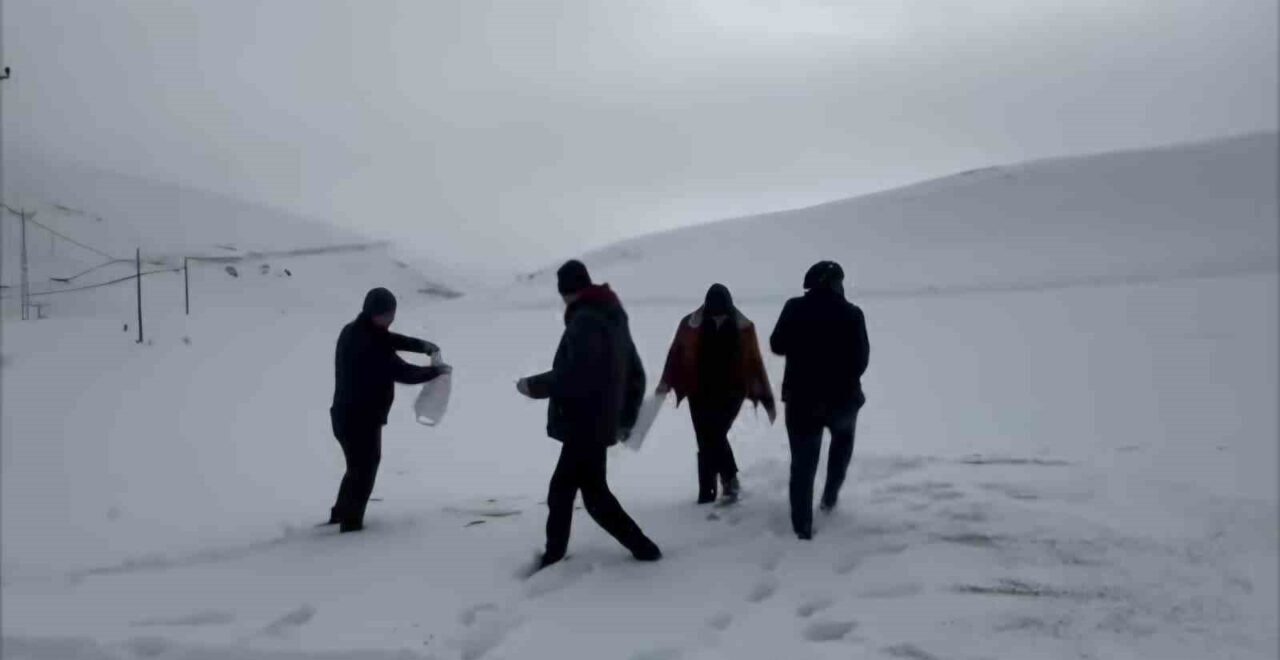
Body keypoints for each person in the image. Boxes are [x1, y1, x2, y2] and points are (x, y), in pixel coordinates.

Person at [517, 260, 662, 570]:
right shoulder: (612, 314)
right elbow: (635, 371)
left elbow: (574, 374)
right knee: (582, 491)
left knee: (579, 494)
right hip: (599, 419)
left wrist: (533, 386)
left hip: (585, 420)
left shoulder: (586, 319)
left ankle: (558, 556)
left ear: (569, 291)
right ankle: (638, 548)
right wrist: (624, 416)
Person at [329, 287, 449, 533]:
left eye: (393, 313)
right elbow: (403, 372)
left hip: (346, 415)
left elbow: (392, 339)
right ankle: (350, 528)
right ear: (375, 313)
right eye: (388, 314)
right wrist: (435, 371)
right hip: (360, 419)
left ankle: (340, 514)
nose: (392, 318)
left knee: (356, 468)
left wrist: (424, 346)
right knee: (363, 470)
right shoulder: (367, 344)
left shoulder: (355, 329)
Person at [769, 261, 869, 540]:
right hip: (843, 401)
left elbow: (777, 345)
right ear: (835, 283)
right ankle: (829, 499)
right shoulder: (852, 313)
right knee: (840, 451)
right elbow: (861, 361)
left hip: (802, 401)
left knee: (802, 465)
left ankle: (802, 527)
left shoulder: (793, 307)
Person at [656, 283, 776, 505]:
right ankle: (707, 492)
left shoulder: (743, 326)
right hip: (699, 390)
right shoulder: (690, 324)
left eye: (722, 311)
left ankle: (728, 481)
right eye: (714, 311)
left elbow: (754, 360)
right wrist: (666, 382)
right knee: (705, 439)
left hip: (732, 391)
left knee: (714, 434)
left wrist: (765, 395)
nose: (718, 315)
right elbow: (676, 353)